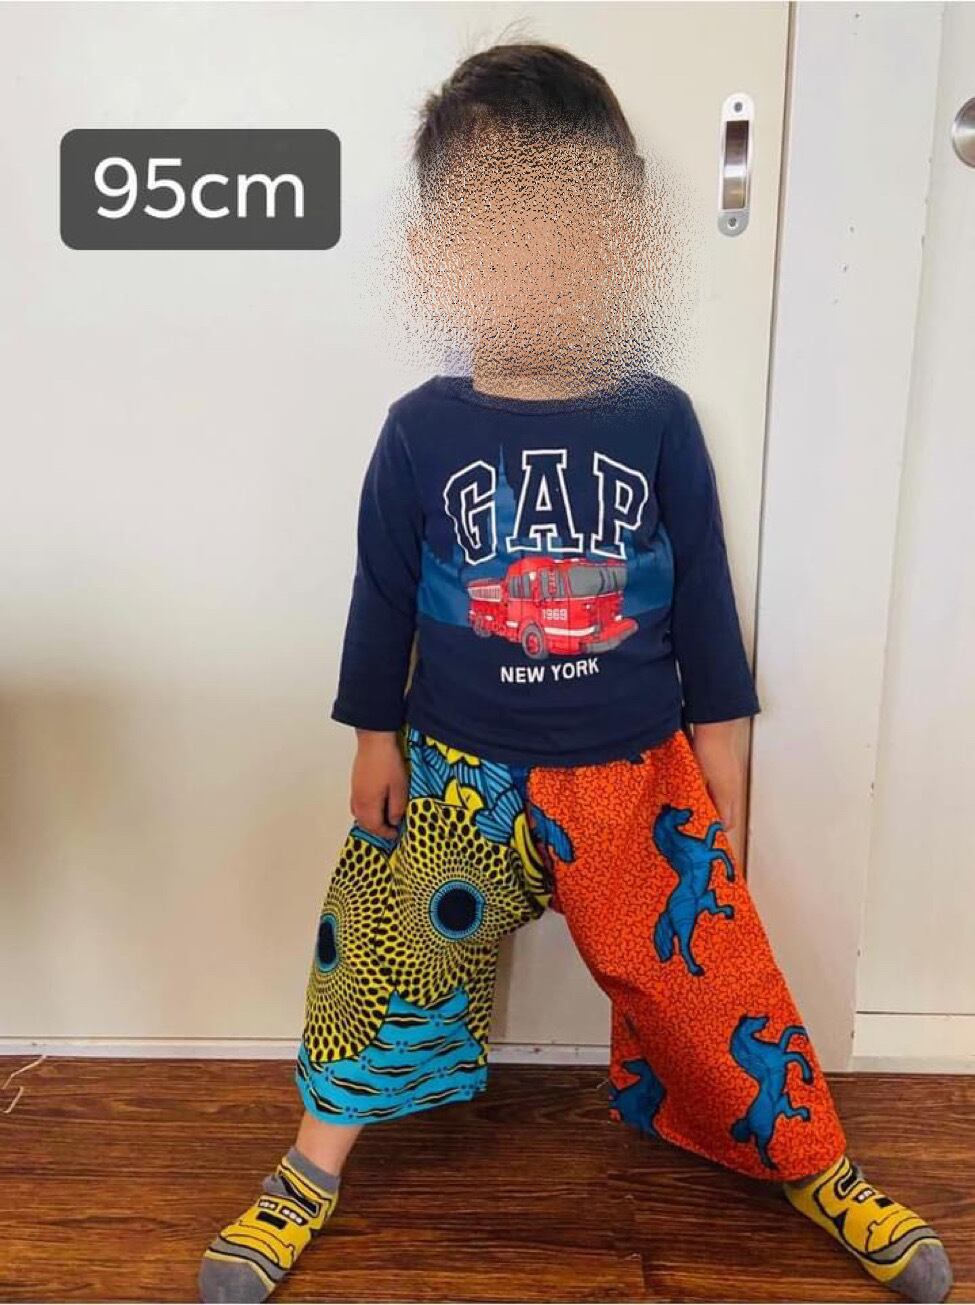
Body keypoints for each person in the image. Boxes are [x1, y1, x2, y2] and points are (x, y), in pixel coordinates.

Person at [199, 42, 952, 1305]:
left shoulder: (656, 420)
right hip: (454, 773)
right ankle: (311, 1165)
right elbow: (382, 599)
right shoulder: (420, 430)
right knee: (374, 951)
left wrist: (721, 789)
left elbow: (706, 624)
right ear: (440, 253)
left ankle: (814, 1160)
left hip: (634, 780)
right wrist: (372, 737)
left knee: (715, 981)